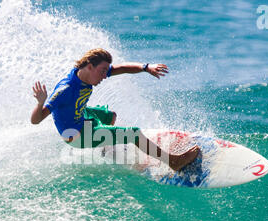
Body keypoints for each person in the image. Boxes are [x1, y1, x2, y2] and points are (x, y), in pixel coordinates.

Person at [30, 48, 200, 171]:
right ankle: (173, 162)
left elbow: (122, 68)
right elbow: (36, 120)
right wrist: (40, 103)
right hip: (76, 135)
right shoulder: (65, 90)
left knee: (110, 116)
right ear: (89, 66)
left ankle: (107, 149)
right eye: (103, 71)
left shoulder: (83, 73)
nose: (105, 76)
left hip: (80, 115)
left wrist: (146, 67)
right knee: (133, 133)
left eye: (106, 71)